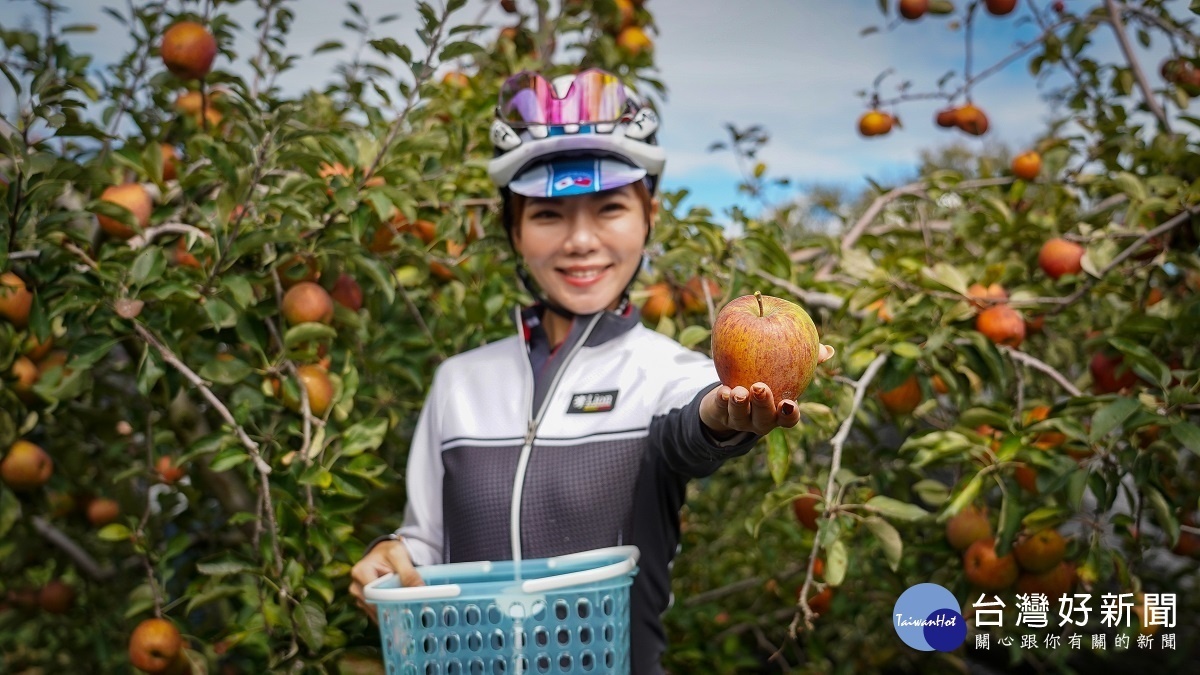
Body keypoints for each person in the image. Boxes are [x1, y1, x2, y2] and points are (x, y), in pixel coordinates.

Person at [349, 68, 834, 674]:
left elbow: (694, 427)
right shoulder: (459, 381)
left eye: (609, 208)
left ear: (648, 215)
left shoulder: (668, 372)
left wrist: (725, 414)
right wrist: (389, 557)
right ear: (513, 228)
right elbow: (424, 543)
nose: (581, 240)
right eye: (548, 215)